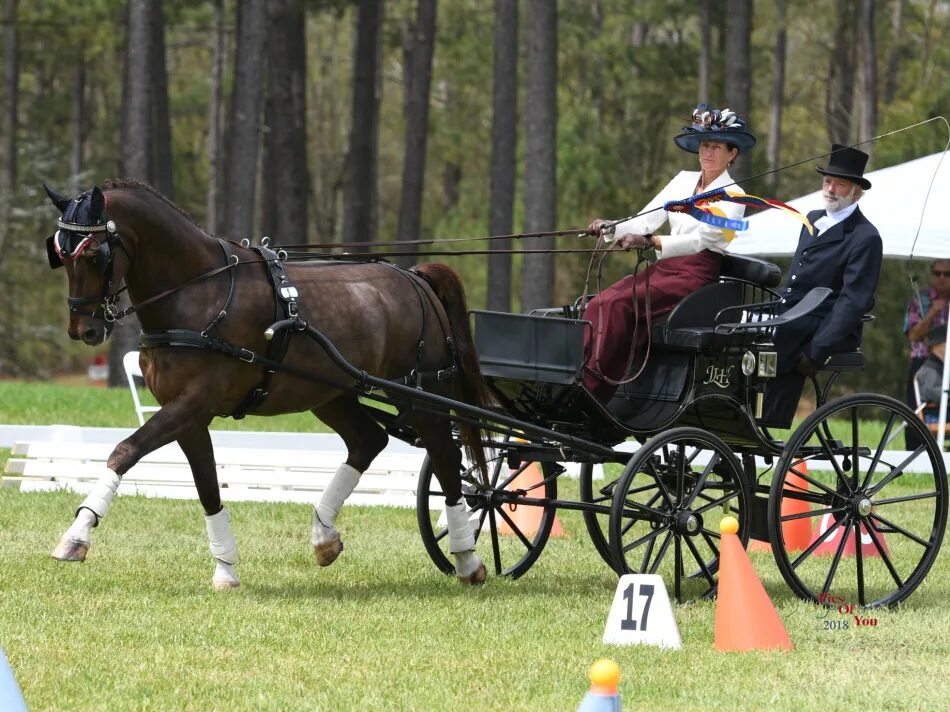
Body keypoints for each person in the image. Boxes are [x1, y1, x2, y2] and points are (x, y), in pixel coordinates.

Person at [582, 103, 756, 402]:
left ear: (732, 154)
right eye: (704, 145)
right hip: (664, 270)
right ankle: (579, 375)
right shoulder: (683, 181)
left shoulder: (736, 197)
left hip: (695, 276)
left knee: (618, 305)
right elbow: (645, 218)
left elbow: (704, 239)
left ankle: (594, 386)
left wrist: (651, 242)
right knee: (600, 302)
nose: (707, 153)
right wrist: (612, 228)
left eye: (715, 147)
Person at [762, 144, 884, 426]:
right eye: (827, 181)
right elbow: (795, 279)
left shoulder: (865, 237)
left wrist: (818, 349)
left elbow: (853, 301)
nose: (830, 189)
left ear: (856, 192)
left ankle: (767, 416)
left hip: (826, 325)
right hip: (793, 313)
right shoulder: (813, 219)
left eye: (839, 184)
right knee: (741, 322)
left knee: (780, 333)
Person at [903, 260, 950, 447]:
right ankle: (914, 454)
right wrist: (932, 312)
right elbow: (913, 335)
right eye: (938, 273)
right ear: (931, 274)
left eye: (947, 274)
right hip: (922, 362)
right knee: (916, 411)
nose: (941, 278)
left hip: (947, 362)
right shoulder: (919, 300)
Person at [915, 325, 947, 424]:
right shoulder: (929, 368)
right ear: (938, 346)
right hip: (937, 415)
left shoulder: (940, 366)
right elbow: (932, 393)